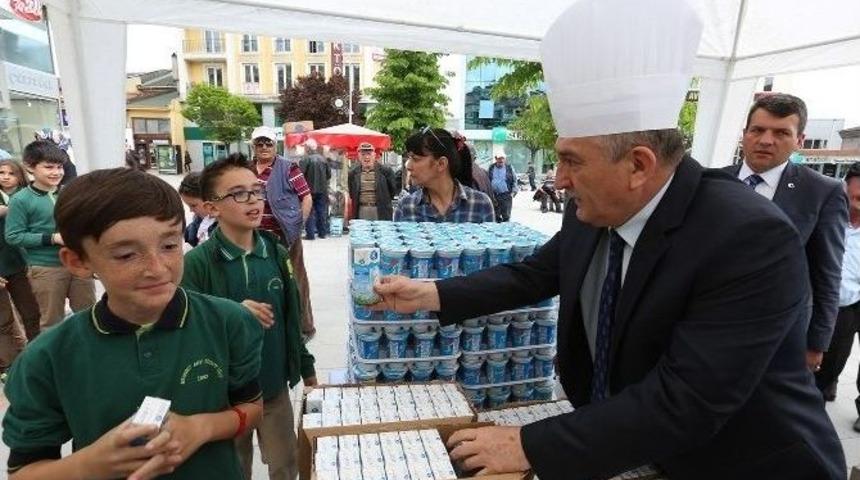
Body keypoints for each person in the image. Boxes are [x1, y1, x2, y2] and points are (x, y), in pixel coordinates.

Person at [370, 0, 845, 478]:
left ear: (638, 165)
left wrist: (531, 446)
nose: (558, 181)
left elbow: (687, 400)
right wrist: (431, 294)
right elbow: (535, 274)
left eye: (572, 161)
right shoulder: (594, 210)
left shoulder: (748, 237)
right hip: (642, 446)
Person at [1, 167, 264, 480]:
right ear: (78, 262)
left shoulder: (228, 322)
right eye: (126, 255)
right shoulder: (47, 358)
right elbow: (22, 471)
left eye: (169, 245)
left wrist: (201, 427)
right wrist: (92, 464)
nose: (156, 268)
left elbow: (251, 406)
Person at [183, 154, 317, 480]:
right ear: (212, 207)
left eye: (257, 190)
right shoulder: (198, 263)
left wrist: (306, 367)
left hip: (273, 386)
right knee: (233, 468)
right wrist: (230, 313)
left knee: (285, 464)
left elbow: (290, 317)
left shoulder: (275, 252)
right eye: (239, 194)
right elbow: (184, 326)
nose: (254, 200)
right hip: (223, 396)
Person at [723, 93, 847, 373]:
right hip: (710, 328)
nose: (766, 140)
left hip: (781, 337)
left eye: (781, 132)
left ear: (800, 140)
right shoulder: (712, 181)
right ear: (744, 134)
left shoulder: (822, 192)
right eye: (757, 130)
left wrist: (816, 343)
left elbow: (826, 273)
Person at [4, 141, 95, 329]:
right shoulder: (20, 200)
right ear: (30, 167)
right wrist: (52, 238)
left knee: (89, 316)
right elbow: (13, 236)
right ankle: (55, 358)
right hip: (46, 268)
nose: (56, 172)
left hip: (78, 263)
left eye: (59, 167)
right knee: (52, 322)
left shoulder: (69, 193)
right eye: (48, 167)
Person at [249, 126, 316, 339]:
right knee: (262, 281)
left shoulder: (288, 168)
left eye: (268, 143)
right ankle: (271, 327)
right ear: (254, 146)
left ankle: (305, 327)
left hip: (285, 235)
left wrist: (298, 225)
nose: (264, 147)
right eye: (260, 143)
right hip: (255, 237)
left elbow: (306, 196)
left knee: (295, 280)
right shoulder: (247, 169)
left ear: (275, 145)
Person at [816, 161, 860, 433]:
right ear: (846, 185)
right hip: (839, 301)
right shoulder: (827, 213)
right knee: (830, 355)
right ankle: (821, 392)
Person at [394, 128, 495, 223]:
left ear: (441, 164)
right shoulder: (406, 207)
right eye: (408, 158)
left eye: (415, 159)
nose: (408, 165)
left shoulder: (480, 204)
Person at [0, 159, 40, 372]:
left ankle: (36, 358)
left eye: (11, 173)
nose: (5, 176)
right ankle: (10, 366)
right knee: (3, 320)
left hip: (22, 264)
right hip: (3, 265)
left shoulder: (27, 197)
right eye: (1, 172)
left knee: (31, 313)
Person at [348, 142, 397, 221]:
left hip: (381, 209)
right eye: (363, 154)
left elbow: (392, 191)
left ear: (374, 155)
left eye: (369, 154)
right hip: (361, 209)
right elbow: (352, 193)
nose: (366, 157)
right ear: (359, 156)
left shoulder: (386, 171)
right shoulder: (353, 173)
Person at [300, 139, 332, 240]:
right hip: (322, 190)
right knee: (321, 211)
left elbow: (300, 175)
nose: (304, 149)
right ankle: (322, 233)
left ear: (308, 148)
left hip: (308, 190)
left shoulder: (305, 160)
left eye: (305, 147)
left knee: (309, 211)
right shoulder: (323, 159)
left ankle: (310, 234)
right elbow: (329, 175)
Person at [178, 172, 217, 247]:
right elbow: (186, 234)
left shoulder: (225, 228)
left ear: (210, 200)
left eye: (193, 205)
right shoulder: (198, 219)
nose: (191, 210)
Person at [488, 151, 516, 222]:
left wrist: (513, 193)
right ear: (496, 159)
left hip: (506, 195)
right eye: (499, 158)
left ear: (505, 159)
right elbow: (487, 180)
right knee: (495, 216)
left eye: (502, 158)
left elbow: (515, 181)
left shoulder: (509, 168)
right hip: (494, 195)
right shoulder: (491, 168)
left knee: (506, 216)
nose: (501, 160)